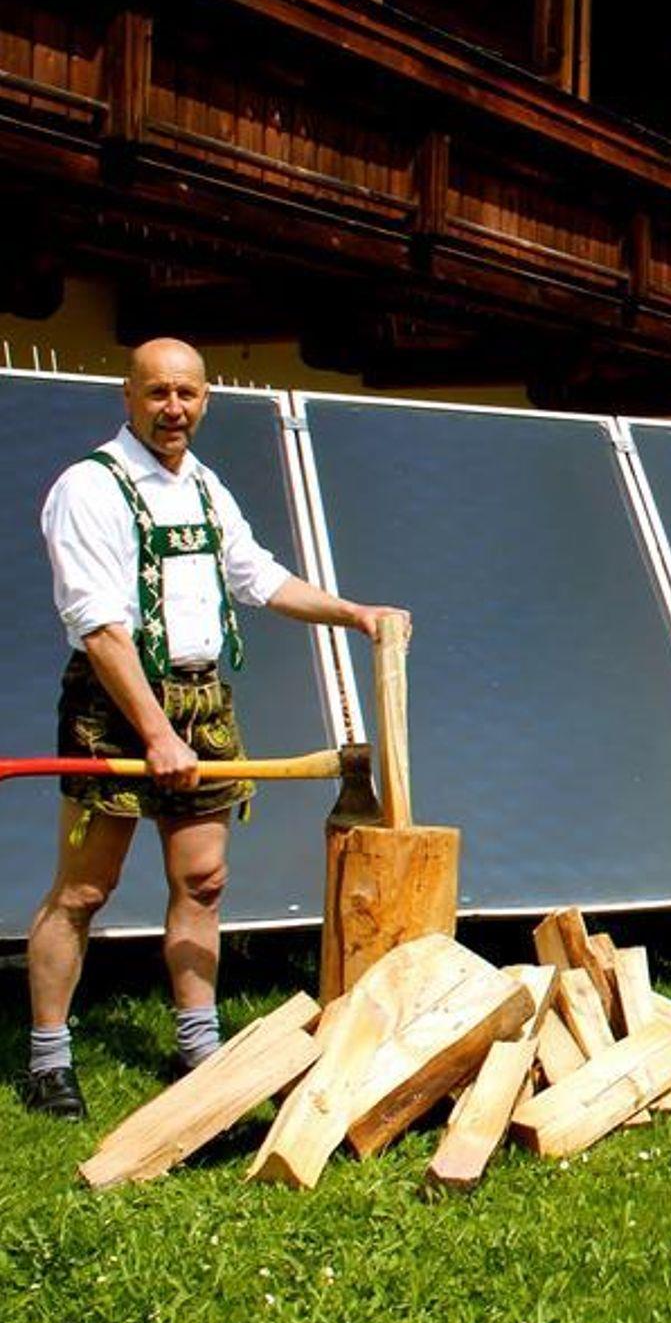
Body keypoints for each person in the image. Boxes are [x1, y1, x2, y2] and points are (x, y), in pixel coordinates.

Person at [21, 338, 407, 1120]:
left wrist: (354, 613)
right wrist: (156, 734)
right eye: (158, 393)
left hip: (202, 700)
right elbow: (100, 628)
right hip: (115, 703)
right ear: (129, 397)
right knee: (86, 888)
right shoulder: (89, 488)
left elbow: (257, 576)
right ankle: (48, 1059)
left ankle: (198, 1047)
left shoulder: (203, 486)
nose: (174, 409)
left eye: (188, 394)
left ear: (205, 400)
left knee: (203, 881)